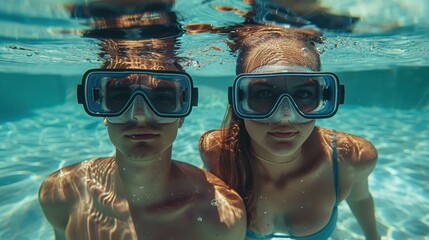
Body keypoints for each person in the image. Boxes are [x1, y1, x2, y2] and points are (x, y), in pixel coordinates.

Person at [38, 2, 246, 239]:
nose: (139, 114)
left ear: (182, 115)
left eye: (163, 99)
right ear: (104, 112)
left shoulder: (221, 217)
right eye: (119, 97)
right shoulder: (61, 195)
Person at [199, 25, 381, 240]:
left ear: (322, 98)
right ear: (239, 99)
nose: (285, 116)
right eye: (264, 93)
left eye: (303, 93)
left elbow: (360, 199)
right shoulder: (217, 151)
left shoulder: (351, 158)